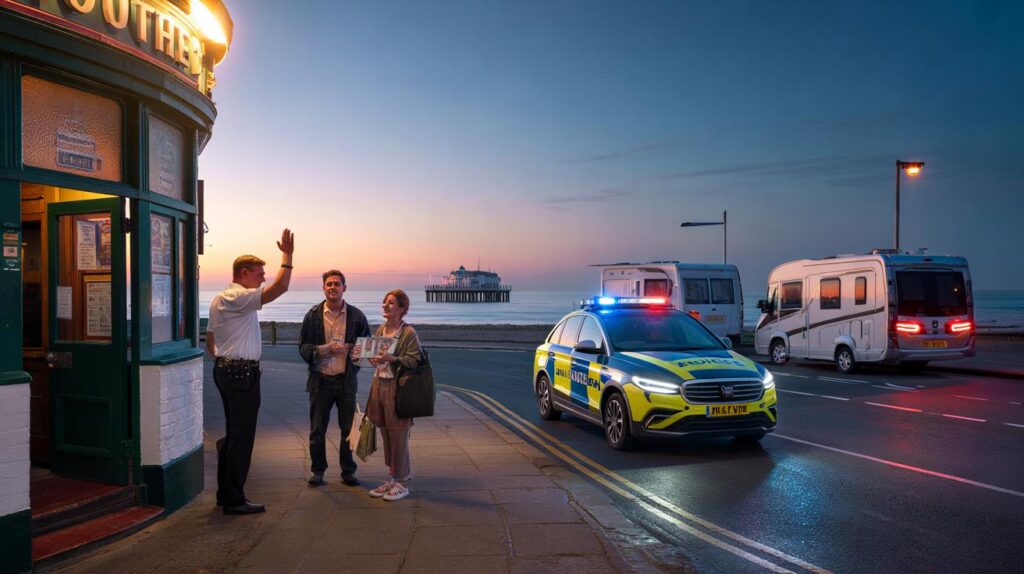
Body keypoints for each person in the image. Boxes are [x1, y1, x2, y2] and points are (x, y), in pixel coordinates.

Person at [206, 229, 294, 515]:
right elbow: (280, 288)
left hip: (229, 371)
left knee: (234, 434)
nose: (263, 278)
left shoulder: (220, 299)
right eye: (259, 273)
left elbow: (210, 341)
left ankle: (226, 494)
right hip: (240, 375)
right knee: (241, 438)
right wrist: (287, 256)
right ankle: (234, 499)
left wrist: (225, 359)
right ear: (243, 273)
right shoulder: (237, 297)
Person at [299, 270, 370, 487]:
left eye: (336, 284)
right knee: (317, 430)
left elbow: (367, 346)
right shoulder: (312, 315)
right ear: (323, 288)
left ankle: (348, 471)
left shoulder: (357, 316)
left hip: (346, 381)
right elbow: (303, 348)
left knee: (348, 429)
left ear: (344, 288)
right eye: (329, 284)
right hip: (320, 381)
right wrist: (326, 348)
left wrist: (352, 350)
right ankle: (318, 471)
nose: (332, 287)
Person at [360, 289, 421, 501]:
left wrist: (392, 359)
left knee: (399, 434)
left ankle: (402, 481)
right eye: (385, 302)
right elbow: (376, 357)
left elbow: (415, 360)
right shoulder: (381, 329)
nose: (385, 305)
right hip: (379, 383)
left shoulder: (408, 332)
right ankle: (393, 477)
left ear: (403, 308)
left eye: (392, 303)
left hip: (397, 388)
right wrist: (373, 359)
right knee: (386, 432)